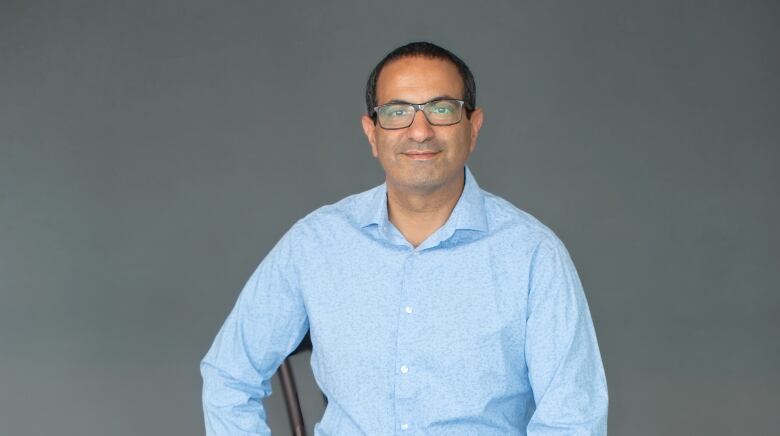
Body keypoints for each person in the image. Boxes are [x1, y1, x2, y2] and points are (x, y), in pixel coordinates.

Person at [200, 41, 608, 435]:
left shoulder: (533, 255)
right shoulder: (316, 244)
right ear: (371, 133)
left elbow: (572, 419)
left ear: (474, 126)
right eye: (397, 112)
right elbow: (229, 375)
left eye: (442, 109)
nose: (420, 131)